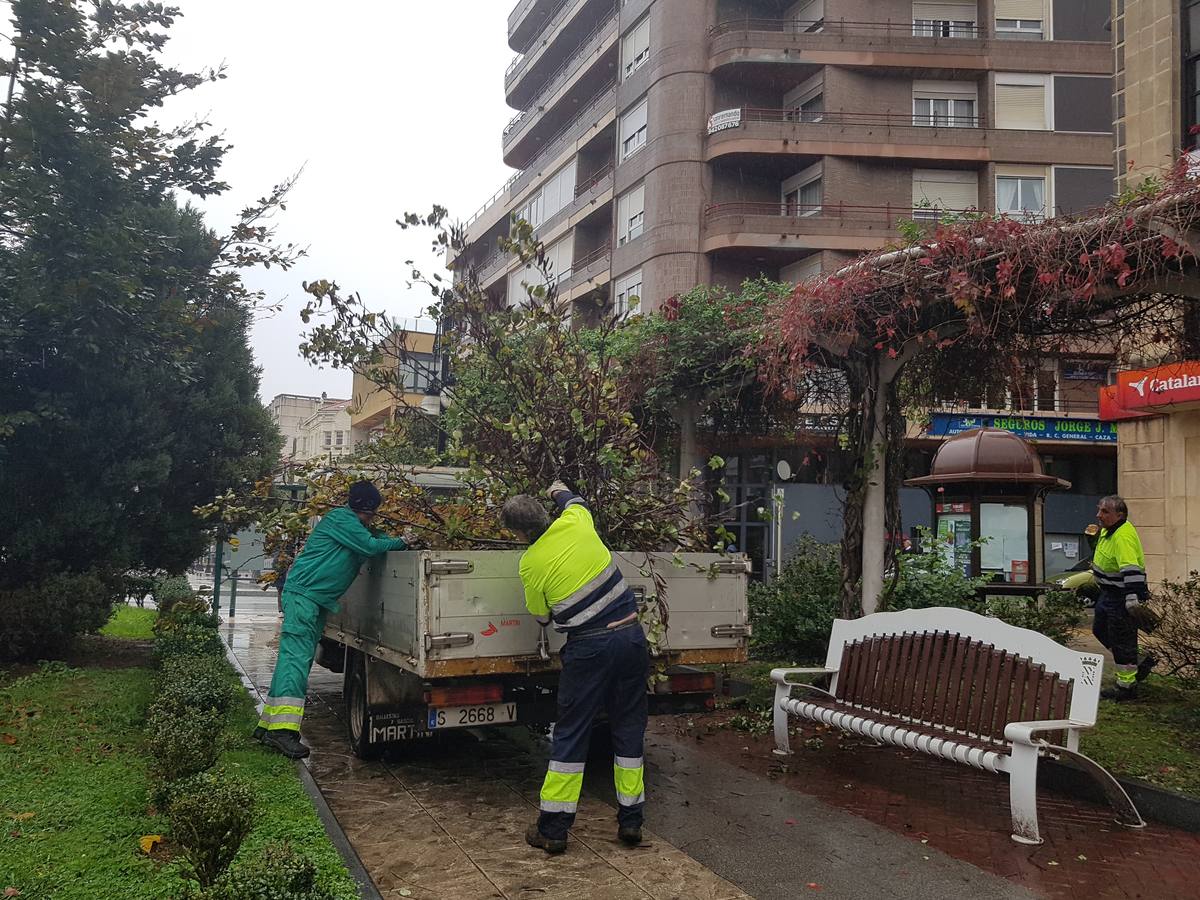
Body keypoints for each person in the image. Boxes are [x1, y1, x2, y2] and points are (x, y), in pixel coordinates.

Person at [501, 481, 648, 855]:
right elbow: (575, 499)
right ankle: (631, 821)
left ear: (518, 534)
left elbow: (541, 617)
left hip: (589, 649)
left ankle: (553, 828)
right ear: (546, 513)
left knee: (571, 733)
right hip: (631, 637)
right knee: (629, 729)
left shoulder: (530, 563)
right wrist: (558, 489)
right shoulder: (578, 520)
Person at [255, 480, 407, 758]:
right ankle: (281, 733)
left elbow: (373, 536)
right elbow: (371, 546)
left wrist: (392, 536)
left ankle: (270, 726)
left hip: (312, 600)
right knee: (296, 661)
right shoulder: (341, 519)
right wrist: (403, 541)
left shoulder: (353, 524)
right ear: (366, 508)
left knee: (292, 659)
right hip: (304, 597)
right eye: (371, 512)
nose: (371, 518)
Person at [1090, 495, 1156, 701]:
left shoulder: (1122, 535)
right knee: (1100, 629)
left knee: (1122, 641)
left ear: (1120, 515)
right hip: (1109, 594)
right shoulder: (1108, 531)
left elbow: (1131, 569)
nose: (1098, 515)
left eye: (1104, 512)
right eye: (1099, 510)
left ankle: (1126, 687)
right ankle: (1139, 660)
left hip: (1122, 597)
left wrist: (1132, 597)